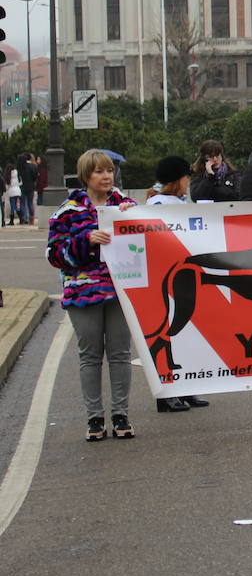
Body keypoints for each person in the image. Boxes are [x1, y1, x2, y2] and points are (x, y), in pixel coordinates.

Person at [47, 149, 139, 442]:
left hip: (121, 290)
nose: (106, 176)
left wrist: (133, 219)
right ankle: (95, 418)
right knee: (90, 356)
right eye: (99, 171)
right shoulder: (68, 211)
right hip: (83, 292)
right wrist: (85, 241)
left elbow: (151, 237)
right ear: (86, 175)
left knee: (120, 353)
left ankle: (121, 414)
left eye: (109, 170)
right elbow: (54, 255)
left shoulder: (127, 207)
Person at [146, 156, 210, 412]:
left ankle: (187, 387)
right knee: (168, 329)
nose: (189, 182)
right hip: (165, 276)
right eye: (186, 177)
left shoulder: (181, 202)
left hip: (184, 273)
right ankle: (166, 391)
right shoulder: (158, 204)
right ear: (178, 179)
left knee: (187, 329)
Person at [18, 152, 37, 225]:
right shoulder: (32, 166)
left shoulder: (20, 167)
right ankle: (31, 219)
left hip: (22, 186)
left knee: (22, 203)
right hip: (30, 186)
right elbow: (35, 177)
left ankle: (23, 219)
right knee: (30, 203)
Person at [5, 161, 21, 225]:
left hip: (11, 192)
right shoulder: (17, 173)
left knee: (12, 206)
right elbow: (20, 182)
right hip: (18, 191)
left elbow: (7, 186)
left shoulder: (8, 176)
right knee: (17, 206)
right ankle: (21, 218)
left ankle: (12, 221)